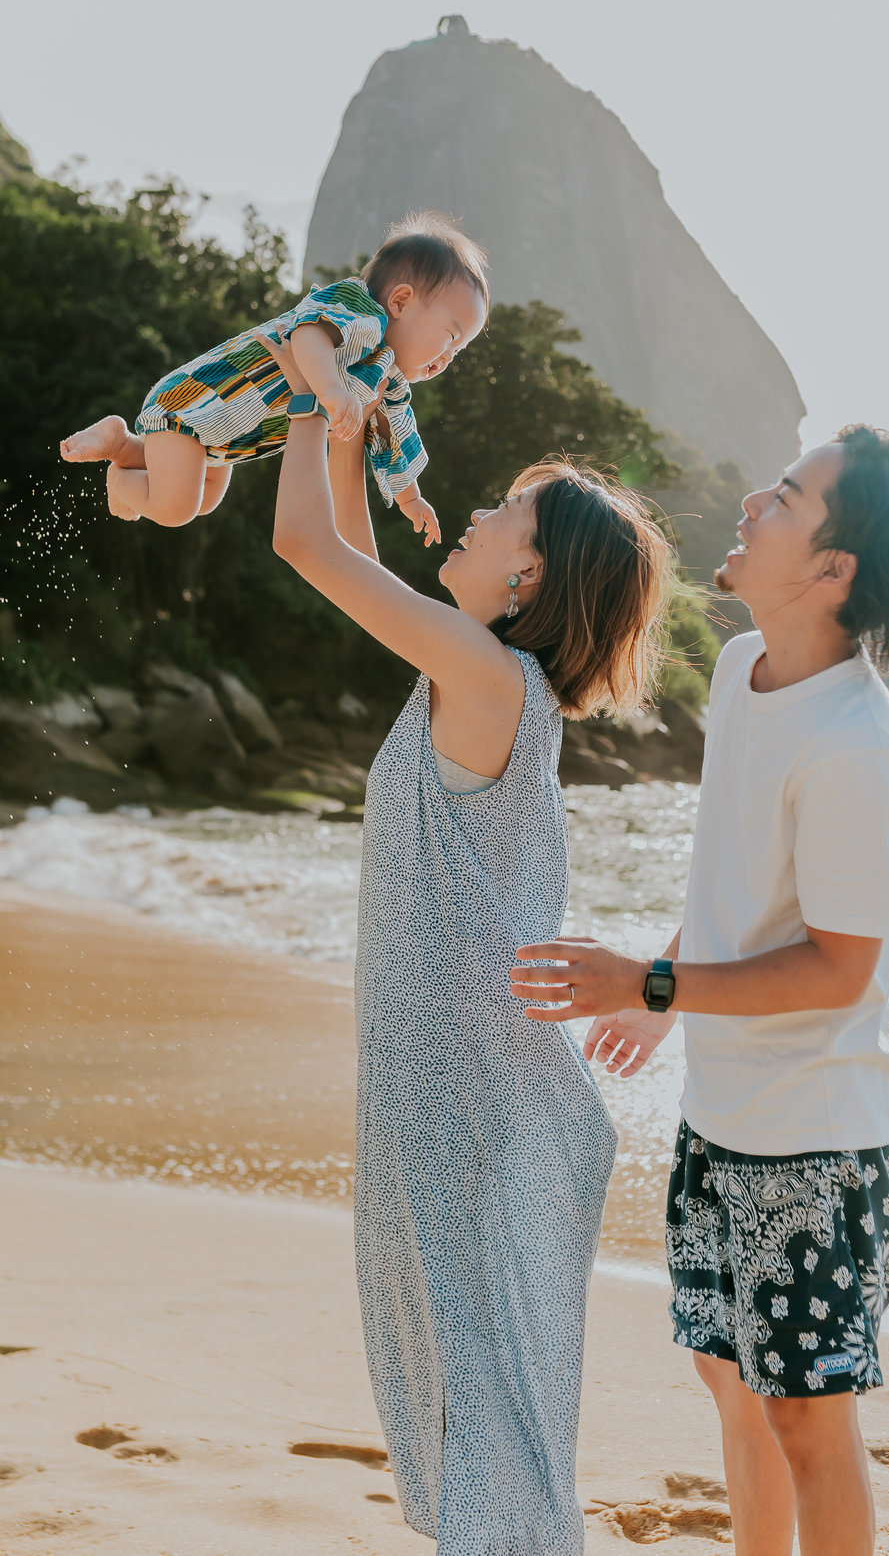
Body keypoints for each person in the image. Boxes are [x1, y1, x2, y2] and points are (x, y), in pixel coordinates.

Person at [510, 425, 889, 1556]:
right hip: (723, 1118)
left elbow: (838, 966)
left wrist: (653, 982)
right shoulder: (742, 670)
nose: (751, 504)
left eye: (787, 497)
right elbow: (733, 877)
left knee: (809, 1422)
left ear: (834, 571)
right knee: (729, 1384)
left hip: (815, 1142)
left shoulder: (859, 751)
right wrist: (654, 986)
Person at [270, 356, 672, 1556]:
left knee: (476, 1408)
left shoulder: (490, 679)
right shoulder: (477, 674)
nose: (479, 512)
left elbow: (304, 546)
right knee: (459, 1401)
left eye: (503, 509)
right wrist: (348, 422)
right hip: (435, 1089)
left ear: (527, 571)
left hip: (463, 1102)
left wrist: (304, 383)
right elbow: (341, 534)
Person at [60, 209, 487, 538]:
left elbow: (396, 437)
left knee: (206, 499)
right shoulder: (358, 311)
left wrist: (411, 498)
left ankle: (128, 447)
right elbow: (306, 337)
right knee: (175, 509)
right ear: (400, 301)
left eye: (460, 350)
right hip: (200, 405)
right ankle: (119, 471)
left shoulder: (385, 376)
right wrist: (333, 390)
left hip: (224, 439)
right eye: (449, 336)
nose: (449, 356)